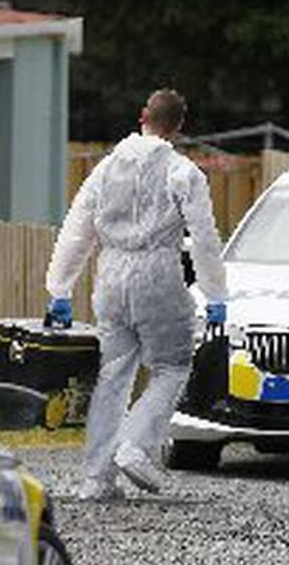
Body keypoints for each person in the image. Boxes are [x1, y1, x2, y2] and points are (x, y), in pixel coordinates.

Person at [44, 89, 228, 500]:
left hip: (110, 274)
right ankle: (135, 444)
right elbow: (203, 237)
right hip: (157, 273)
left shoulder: (106, 167)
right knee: (172, 366)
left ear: (142, 115)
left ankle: (96, 478)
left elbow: (77, 229)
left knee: (112, 374)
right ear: (178, 127)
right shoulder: (183, 173)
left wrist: (59, 288)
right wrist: (216, 294)